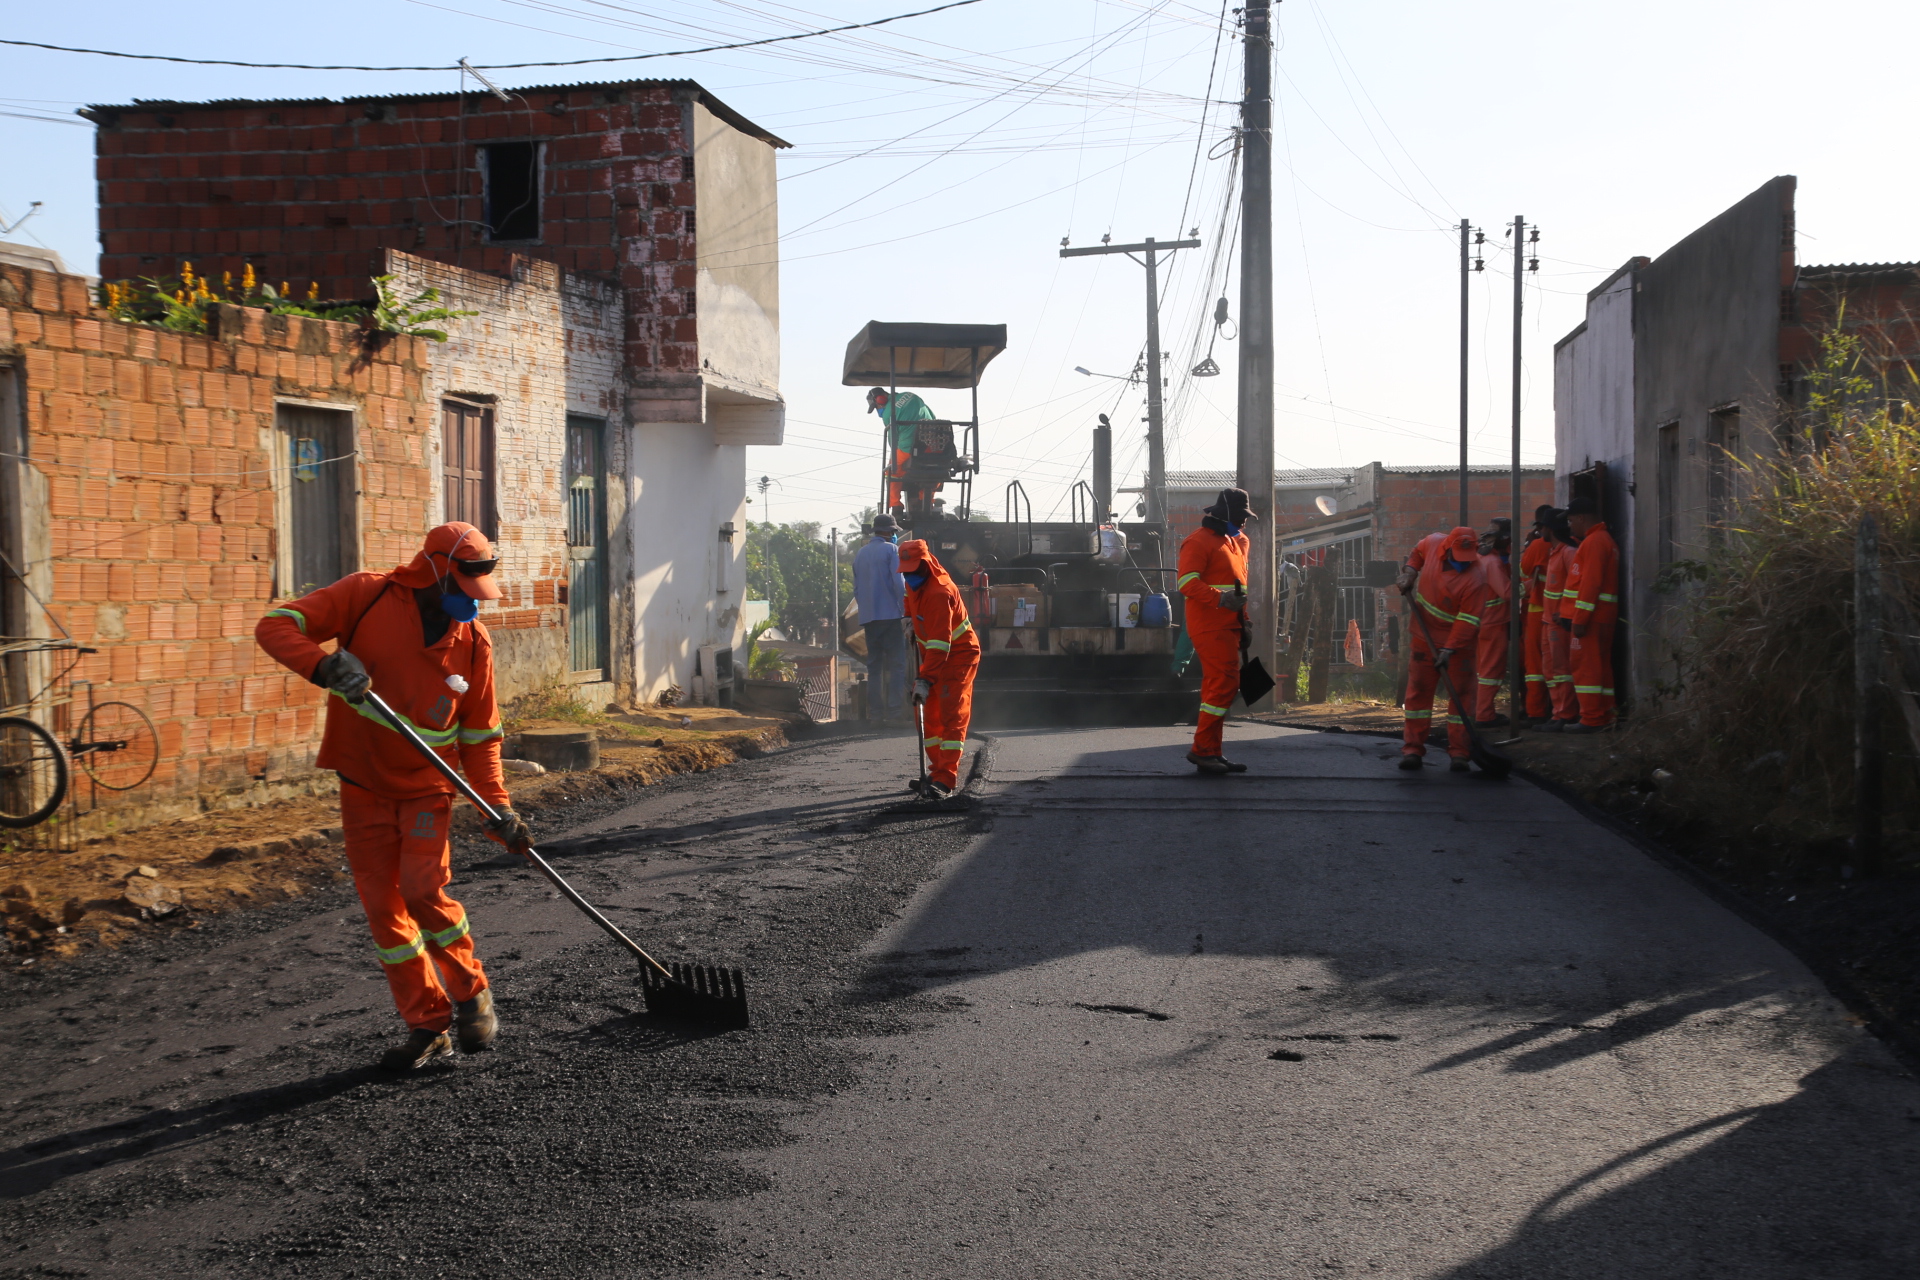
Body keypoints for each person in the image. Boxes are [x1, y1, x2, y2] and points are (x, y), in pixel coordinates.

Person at [255, 522, 525, 1071]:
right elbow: (276, 625)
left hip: (427, 790)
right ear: (433, 571)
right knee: (386, 912)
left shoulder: (473, 643)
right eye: (463, 587)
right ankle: (427, 1025)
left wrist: (497, 806)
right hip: (363, 785)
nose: (470, 603)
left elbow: (480, 736)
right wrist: (323, 665)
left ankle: (471, 991)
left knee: (423, 891)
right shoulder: (365, 596)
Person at [1176, 487, 1255, 774]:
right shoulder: (1197, 542)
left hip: (1229, 624)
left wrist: (1245, 622)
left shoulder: (1238, 542)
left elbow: (1239, 588)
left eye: (1245, 516)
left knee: (1222, 686)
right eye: (1239, 516)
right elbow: (1186, 583)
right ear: (1224, 514)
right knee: (1223, 684)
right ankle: (1203, 750)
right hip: (1209, 625)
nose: (1243, 522)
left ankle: (1210, 751)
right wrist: (1220, 599)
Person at [1395, 526, 1484, 772]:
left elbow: (1468, 621)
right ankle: (1413, 750)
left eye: (1467, 558)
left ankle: (1460, 753)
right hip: (1424, 637)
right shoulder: (1433, 542)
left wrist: (1449, 649)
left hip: (1459, 645)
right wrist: (1410, 573)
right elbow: (1417, 554)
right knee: (1418, 693)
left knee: (1462, 696)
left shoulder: (1477, 578)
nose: (1463, 563)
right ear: (1447, 548)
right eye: (1459, 557)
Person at [897, 538, 981, 799]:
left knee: (952, 715)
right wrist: (908, 617)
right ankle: (935, 772)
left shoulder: (939, 593)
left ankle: (945, 778)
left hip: (958, 656)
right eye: (905, 571)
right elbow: (909, 596)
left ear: (926, 563)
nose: (909, 576)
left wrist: (925, 679)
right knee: (926, 713)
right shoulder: (913, 580)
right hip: (934, 657)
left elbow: (940, 645)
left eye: (913, 570)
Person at [1563, 498, 1620, 733]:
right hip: (1601, 617)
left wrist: (1580, 619)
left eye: (1570, 521)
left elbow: (1590, 584)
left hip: (1592, 619)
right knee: (1600, 667)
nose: (1569, 526)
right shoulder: (1602, 540)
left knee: (1586, 668)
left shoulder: (1595, 542)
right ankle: (1606, 714)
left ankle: (1592, 719)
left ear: (1581, 518)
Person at [852, 513, 909, 723]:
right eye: (893, 531)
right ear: (888, 532)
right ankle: (894, 713)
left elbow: (857, 590)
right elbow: (898, 584)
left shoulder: (860, 554)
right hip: (891, 617)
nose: (894, 535)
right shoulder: (892, 550)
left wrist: (867, 610)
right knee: (897, 666)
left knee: (874, 668)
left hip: (869, 619)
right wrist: (905, 611)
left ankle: (875, 714)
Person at [1537, 511, 1580, 730]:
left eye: (1542, 527)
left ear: (1550, 529)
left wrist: (1565, 611)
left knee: (1562, 670)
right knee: (1551, 670)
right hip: (1548, 621)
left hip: (1559, 623)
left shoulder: (1568, 553)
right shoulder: (1555, 552)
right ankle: (1558, 713)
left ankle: (1566, 714)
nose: (1539, 531)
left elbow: (1578, 585)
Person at [867, 387, 938, 513]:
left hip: (907, 448)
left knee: (891, 471)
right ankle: (926, 501)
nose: (878, 410)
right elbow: (933, 417)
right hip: (934, 447)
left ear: (880, 400)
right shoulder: (911, 395)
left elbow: (893, 441)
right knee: (935, 470)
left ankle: (896, 507)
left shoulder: (889, 413)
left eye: (876, 407)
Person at [1517, 505, 1556, 725]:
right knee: (1557, 663)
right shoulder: (1571, 545)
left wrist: (1529, 545)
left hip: (1536, 609)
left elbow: (1523, 571)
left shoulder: (1538, 545)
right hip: (1560, 611)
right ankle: (1559, 710)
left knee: (1534, 665)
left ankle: (1536, 711)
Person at [1473, 518, 1512, 728]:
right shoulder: (1493, 561)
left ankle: (1480, 710)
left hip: (1480, 621)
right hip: (1493, 622)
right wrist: (1530, 585)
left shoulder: (1480, 557)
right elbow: (1506, 592)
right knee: (1492, 671)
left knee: (1482, 670)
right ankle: (1484, 715)